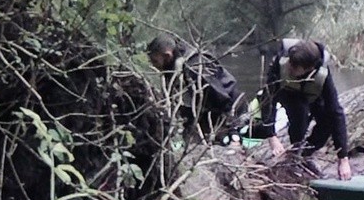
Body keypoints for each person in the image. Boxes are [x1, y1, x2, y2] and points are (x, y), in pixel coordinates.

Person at [259, 38, 352, 180]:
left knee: (327, 121)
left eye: (295, 67)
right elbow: (267, 100)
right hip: (287, 92)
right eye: (290, 62)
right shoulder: (281, 63)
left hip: (312, 93)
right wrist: (271, 136)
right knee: (299, 115)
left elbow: (336, 113)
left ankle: (305, 154)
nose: (289, 67)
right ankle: (295, 152)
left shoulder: (323, 75)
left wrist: (343, 159)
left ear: (310, 68)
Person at [147, 33, 244, 142]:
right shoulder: (173, 68)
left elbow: (222, 100)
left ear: (167, 56)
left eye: (155, 61)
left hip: (231, 111)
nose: (154, 65)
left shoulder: (195, 68)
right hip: (206, 113)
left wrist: (233, 130)